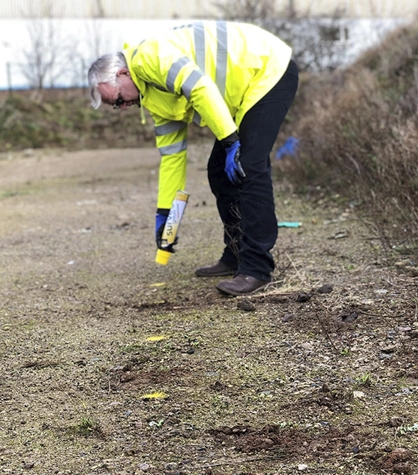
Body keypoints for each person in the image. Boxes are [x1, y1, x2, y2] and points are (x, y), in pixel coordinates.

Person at [87, 21, 298, 296]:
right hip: (244, 91)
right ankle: (235, 256)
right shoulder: (153, 97)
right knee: (220, 172)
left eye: (116, 100)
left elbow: (199, 88)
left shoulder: (149, 57)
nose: (121, 107)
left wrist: (231, 141)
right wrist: (166, 218)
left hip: (268, 70)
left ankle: (257, 269)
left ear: (124, 73)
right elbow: (172, 160)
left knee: (249, 165)